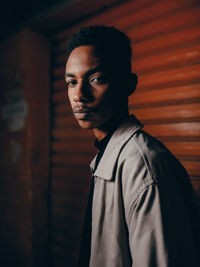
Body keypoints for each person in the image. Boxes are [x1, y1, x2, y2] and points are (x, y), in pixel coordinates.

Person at [65, 26, 200, 267]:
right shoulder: (108, 156)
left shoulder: (143, 166)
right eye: (71, 82)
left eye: (96, 79)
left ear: (129, 84)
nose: (79, 95)